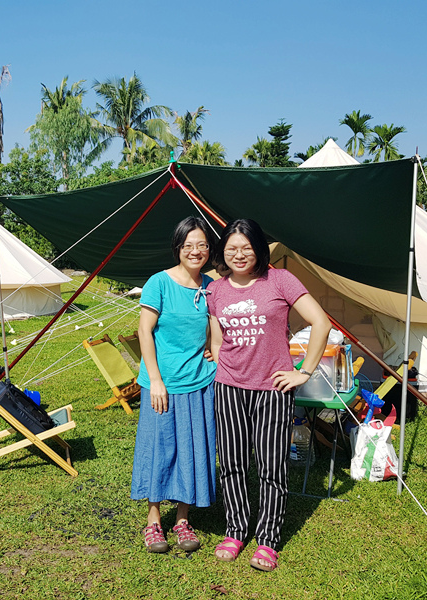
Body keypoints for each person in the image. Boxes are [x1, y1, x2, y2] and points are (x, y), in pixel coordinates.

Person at [207, 218, 330, 571]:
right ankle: (236, 529)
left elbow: (321, 322)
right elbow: (217, 340)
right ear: (223, 252)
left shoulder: (279, 280)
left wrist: (303, 371)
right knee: (231, 463)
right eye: (232, 248)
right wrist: (217, 362)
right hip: (229, 387)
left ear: (259, 249)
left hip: (272, 389)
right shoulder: (216, 290)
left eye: (246, 247)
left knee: (271, 466)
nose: (239, 254)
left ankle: (268, 538)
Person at [131, 216, 218, 553]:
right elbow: (144, 331)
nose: (195, 251)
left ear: (209, 250)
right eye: (189, 245)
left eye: (202, 245)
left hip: (199, 381)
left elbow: (215, 327)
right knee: (159, 449)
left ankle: (182, 519)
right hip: (163, 383)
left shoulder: (210, 286)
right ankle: (153, 521)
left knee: (193, 450)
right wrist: (155, 380)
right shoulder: (159, 283)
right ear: (178, 248)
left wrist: (211, 348)